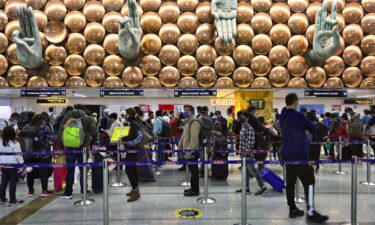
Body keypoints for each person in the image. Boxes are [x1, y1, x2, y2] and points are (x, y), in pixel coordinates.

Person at [280, 93, 328, 223]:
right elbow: (312, 128)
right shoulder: (298, 116)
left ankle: (293, 209)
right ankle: (311, 212)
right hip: (299, 154)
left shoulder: (282, 116)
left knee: (290, 184)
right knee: (309, 181)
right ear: (295, 102)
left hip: (287, 155)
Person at [58, 105, 98, 200]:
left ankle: (68, 192)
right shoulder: (87, 118)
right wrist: (94, 140)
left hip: (70, 148)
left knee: (70, 171)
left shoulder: (67, 117)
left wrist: (61, 146)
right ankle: (84, 191)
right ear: (83, 110)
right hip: (83, 148)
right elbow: (94, 131)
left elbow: (61, 131)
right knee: (83, 170)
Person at [23, 114, 55, 198]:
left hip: (29, 154)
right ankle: (44, 191)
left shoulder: (26, 127)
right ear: (42, 120)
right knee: (43, 173)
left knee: (30, 172)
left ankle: (30, 191)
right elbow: (51, 137)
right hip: (42, 154)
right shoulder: (44, 127)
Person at [237, 111, 268, 196]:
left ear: (247, 118)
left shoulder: (249, 128)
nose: (241, 118)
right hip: (243, 153)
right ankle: (246, 188)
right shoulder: (243, 126)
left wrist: (246, 153)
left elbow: (250, 142)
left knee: (253, 171)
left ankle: (263, 187)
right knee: (245, 171)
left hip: (247, 153)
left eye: (243, 116)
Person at [121, 108, 143, 202]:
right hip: (134, 148)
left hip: (132, 149)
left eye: (127, 114)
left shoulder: (133, 123)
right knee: (132, 169)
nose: (126, 116)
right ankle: (135, 189)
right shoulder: (135, 122)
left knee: (129, 169)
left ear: (130, 114)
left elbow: (133, 135)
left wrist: (122, 139)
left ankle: (135, 191)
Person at [179, 105, 201, 197]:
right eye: (184, 110)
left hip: (192, 151)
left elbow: (194, 139)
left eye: (187, 110)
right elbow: (184, 135)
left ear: (192, 111)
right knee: (192, 170)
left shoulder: (194, 122)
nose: (185, 112)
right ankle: (193, 188)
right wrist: (180, 145)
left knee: (194, 171)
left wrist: (189, 152)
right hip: (187, 150)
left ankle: (195, 190)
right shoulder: (188, 121)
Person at [0, 126, 25, 206]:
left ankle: (2, 198)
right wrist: (22, 164)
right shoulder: (15, 143)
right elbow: (19, 155)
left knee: (3, 182)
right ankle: (12, 199)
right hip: (13, 166)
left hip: (3, 165)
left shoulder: (0, 142)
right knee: (12, 183)